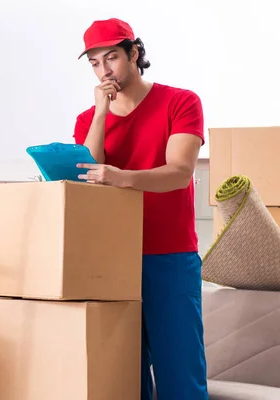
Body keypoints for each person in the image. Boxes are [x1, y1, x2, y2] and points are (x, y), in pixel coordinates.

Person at [72, 18, 209, 400]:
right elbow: (87, 177)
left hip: (169, 255)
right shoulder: (87, 120)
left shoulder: (181, 101)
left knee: (180, 375)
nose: (105, 70)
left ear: (134, 53)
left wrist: (120, 177)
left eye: (112, 57)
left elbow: (179, 173)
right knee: (122, 378)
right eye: (95, 63)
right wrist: (101, 113)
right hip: (112, 261)